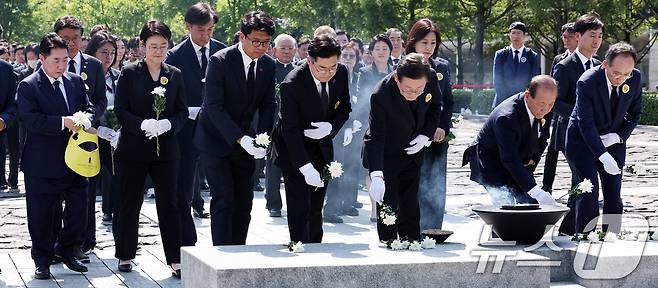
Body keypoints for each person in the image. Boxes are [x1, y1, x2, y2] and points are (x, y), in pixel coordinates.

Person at [193, 10, 276, 246]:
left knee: (244, 201)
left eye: (266, 43)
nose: (261, 48)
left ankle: (239, 251)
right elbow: (214, 106)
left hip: (247, 142)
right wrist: (241, 138)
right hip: (216, 139)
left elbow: (269, 103)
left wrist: (263, 138)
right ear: (242, 37)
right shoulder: (220, 60)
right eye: (256, 42)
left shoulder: (267, 66)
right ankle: (222, 255)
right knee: (223, 198)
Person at [113, 20, 188, 278]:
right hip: (133, 149)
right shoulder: (130, 72)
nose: (158, 51)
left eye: (163, 46)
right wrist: (141, 124)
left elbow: (182, 111)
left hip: (166, 150)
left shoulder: (175, 74)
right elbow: (121, 110)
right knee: (129, 202)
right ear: (143, 46)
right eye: (153, 46)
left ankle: (175, 258)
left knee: (170, 204)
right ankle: (125, 253)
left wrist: (169, 124)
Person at [18, 32, 93, 279]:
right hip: (42, 162)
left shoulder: (74, 81)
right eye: (56, 61)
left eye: (64, 60)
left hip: (76, 159)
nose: (61, 65)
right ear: (42, 59)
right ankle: (42, 258)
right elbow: (31, 120)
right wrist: (64, 122)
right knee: (41, 214)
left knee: (79, 209)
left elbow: (88, 105)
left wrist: (86, 117)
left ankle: (68, 249)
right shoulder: (29, 85)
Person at [270, 34, 351, 243]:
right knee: (299, 206)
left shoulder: (340, 73)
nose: (328, 73)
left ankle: (316, 247)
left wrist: (330, 127)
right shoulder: (292, 83)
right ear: (309, 60)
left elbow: (345, 108)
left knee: (316, 206)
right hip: (294, 150)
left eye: (332, 66)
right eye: (322, 68)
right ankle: (299, 249)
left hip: (322, 147)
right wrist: (305, 167)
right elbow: (289, 129)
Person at [165, 2, 227, 247]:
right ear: (188, 26)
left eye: (210, 29)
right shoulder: (175, 56)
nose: (206, 35)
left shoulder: (223, 53)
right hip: (186, 132)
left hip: (217, 132)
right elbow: (168, 94)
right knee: (183, 192)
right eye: (201, 30)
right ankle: (185, 247)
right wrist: (187, 110)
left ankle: (223, 244)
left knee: (222, 190)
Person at [565, 42, 643, 234]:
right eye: (617, 73)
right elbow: (586, 124)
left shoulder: (634, 78)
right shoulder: (588, 81)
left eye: (627, 74)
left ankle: (610, 236)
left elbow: (635, 113)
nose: (621, 79)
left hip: (613, 140)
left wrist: (618, 136)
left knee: (613, 192)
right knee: (588, 189)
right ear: (605, 64)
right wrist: (602, 154)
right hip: (582, 142)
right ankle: (583, 236)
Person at [363, 53, 441, 242]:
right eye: (407, 89)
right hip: (387, 152)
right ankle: (389, 242)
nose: (413, 94)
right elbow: (376, 136)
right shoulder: (381, 94)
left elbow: (436, 107)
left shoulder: (428, 76)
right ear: (397, 78)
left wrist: (425, 135)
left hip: (414, 149)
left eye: (418, 89)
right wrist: (376, 175)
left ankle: (411, 240)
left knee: (410, 200)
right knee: (388, 201)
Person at [541, 14, 604, 235]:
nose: (596, 41)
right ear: (578, 36)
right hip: (571, 133)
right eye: (592, 36)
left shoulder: (599, 65)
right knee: (586, 180)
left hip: (594, 134)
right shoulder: (565, 66)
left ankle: (569, 229)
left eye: (599, 36)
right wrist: (581, 115)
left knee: (580, 182)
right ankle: (584, 230)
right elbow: (555, 102)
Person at [52, 15, 108, 260]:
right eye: (66, 39)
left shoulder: (93, 65)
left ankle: (84, 241)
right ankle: (55, 242)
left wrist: (90, 119)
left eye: (76, 38)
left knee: (85, 191)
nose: (72, 43)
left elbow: (100, 99)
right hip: (57, 137)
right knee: (56, 193)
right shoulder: (49, 63)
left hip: (85, 138)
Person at [463, 76, 558, 206]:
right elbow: (509, 159)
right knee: (506, 207)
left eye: (551, 104)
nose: (545, 109)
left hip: (518, 160)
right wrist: (537, 192)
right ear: (527, 96)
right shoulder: (506, 117)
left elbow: (543, 139)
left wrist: (532, 161)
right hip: (491, 162)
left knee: (531, 205)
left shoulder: (546, 108)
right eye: (541, 104)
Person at [405, 19, 454, 231]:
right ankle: (411, 226)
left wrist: (443, 126)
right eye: (424, 42)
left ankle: (433, 228)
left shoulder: (442, 67)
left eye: (433, 43)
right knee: (413, 181)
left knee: (435, 180)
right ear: (414, 42)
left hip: (436, 137)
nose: (429, 48)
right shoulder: (404, 65)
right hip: (410, 135)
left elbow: (448, 101)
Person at [82, 31, 121, 250]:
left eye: (112, 52)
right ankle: (87, 239)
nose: (108, 57)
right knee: (88, 191)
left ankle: (122, 238)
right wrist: (97, 129)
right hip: (91, 137)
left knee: (120, 188)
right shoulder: (85, 75)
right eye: (103, 52)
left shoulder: (119, 76)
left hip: (115, 140)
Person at [323, 42, 362, 223]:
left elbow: (345, 103)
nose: (347, 59)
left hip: (337, 128)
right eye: (343, 55)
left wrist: (347, 125)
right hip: (317, 123)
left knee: (336, 167)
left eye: (351, 56)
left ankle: (331, 207)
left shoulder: (343, 74)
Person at [265, 33, 297, 217]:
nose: (286, 51)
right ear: (274, 50)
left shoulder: (299, 70)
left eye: (289, 48)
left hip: (293, 124)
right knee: (273, 164)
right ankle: (273, 204)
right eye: (282, 48)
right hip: (273, 123)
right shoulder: (268, 69)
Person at [492, 21, 540, 107]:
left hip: (524, 101)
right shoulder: (501, 54)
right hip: (502, 101)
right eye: (513, 33)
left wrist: (524, 98)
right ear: (509, 35)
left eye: (519, 33)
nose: (516, 36)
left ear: (524, 35)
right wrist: (507, 101)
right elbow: (497, 80)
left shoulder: (532, 56)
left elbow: (534, 81)